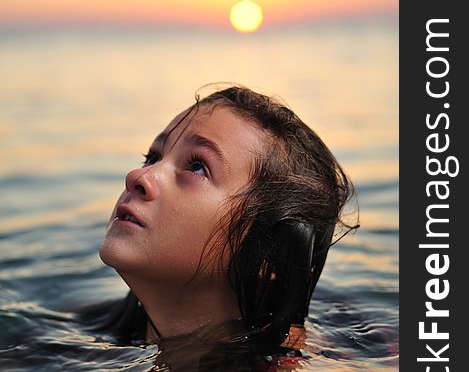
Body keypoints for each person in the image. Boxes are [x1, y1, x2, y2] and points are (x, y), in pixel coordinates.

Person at [90, 85, 356, 352]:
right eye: (153, 157)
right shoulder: (83, 330)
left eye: (197, 167)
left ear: (267, 253)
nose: (138, 176)